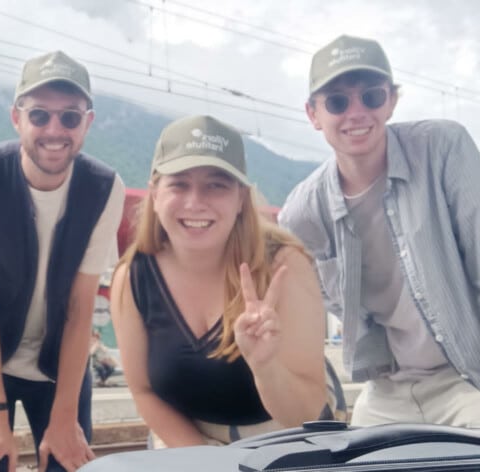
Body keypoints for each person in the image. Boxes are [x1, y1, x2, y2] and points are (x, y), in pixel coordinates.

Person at [279, 34, 480, 432]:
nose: (357, 112)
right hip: (387, 390)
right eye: (338, 101)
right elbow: (331, 303)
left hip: (472, 379)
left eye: (372, 96)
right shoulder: (302, 213)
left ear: (392, 100)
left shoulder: (443, 149)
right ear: (314, 114)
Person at [110, 115, 344, 449]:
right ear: (155, 193)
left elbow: (307, 415)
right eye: (179, 183)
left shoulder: (283, 267)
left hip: (282, 436)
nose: (195, 202)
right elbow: (144, 391)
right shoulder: (132, 277)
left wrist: (266, 368)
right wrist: (206, 460)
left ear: (240, 199)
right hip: (185, 438)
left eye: (216, 184)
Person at [0, 50, 125, 472]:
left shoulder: (104, 188)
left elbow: (81, 307)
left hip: (58, 359)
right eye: (40, 115)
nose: (55, 130)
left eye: (70, 117)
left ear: (88, 122)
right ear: (17, 118)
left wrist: (64, 418)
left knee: (69, 461)